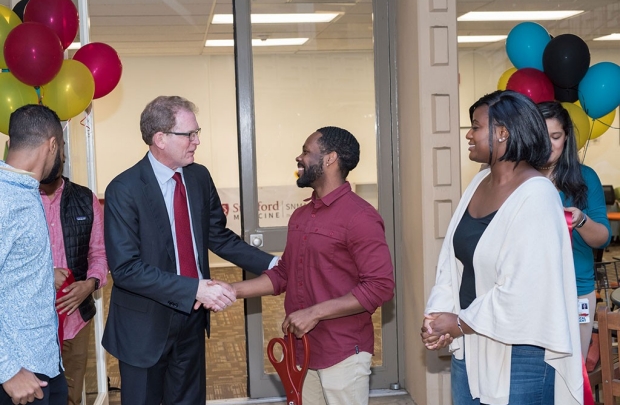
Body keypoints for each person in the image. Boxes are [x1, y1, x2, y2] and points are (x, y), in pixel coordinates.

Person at [102, 95, 278, 405]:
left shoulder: (198, 177)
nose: (197, 141)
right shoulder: (125, 189)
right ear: (160, 139)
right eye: (190, 134)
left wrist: (274, 264)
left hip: (192, 320)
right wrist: (195, 288)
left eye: (198, 133)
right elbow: (126, 269)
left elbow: (219, 237)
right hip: (144, 327)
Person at [421, 91, 582, 404]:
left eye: (475, 126)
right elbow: (450, 262)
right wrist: (437, 316)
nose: (468, 134)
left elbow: (524, 291)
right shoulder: (477, 184)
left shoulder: (537, 195)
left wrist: (456, 323)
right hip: (469, 343)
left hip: (520, 354)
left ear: (503, 132)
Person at [232, 126, 395, 405]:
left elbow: (380, 287)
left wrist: (314, 313)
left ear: (330, 158)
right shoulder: (301, 216)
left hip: (342, 354)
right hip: (302, 351)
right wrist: (229, 290)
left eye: (307, 152)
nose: (299, 157)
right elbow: (283, 274)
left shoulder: (361, 217)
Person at [0, 104, 68, 405]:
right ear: (52, 145)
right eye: (62, 148)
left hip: (44, 361)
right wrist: (7, 370)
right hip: (18, 374)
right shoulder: (5, 198)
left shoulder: (25, 190)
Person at [537, 101, 611, 359]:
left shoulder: (585, 177)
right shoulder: (518, 178)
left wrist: (580, 220)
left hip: (577, 290)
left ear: (566, 137)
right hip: (531, 290)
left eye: (555, 137)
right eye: (540, 137)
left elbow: (603, 238)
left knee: (572, 370)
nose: (548, 144)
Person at [39, 165, 109, 405]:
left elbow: (99, 253)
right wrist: (46, 275)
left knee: (70, 396)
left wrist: (90, 285)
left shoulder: (84, 198)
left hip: (75, 320)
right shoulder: (18, 200)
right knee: (36, 396)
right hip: (32, 323)